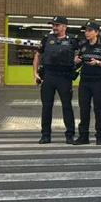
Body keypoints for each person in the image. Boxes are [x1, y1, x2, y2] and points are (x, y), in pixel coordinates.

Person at [33, 16, 77, 144]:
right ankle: (45, 135)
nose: (54, 27)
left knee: (67, 107)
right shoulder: (46, 39)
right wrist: (35, 73)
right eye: (53, 25)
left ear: (64, 27)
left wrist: (76, 63)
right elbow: (37, 55)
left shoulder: (73, 41)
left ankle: (70, 136)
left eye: (57, 25)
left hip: (64, 77)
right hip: (48, 76)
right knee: (46, 107)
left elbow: (82, 54)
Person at [73, 21, 101, 145]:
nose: (87, 33)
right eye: (85, 30)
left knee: (98, 109)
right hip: (84, 82)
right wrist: (76, 60)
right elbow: (78, 62)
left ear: (96, 32)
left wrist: (97, 62)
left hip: (98, 82)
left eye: (89, 30)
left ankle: (99, 136)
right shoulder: (83, 46)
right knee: (84, 109)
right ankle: (83, 136)